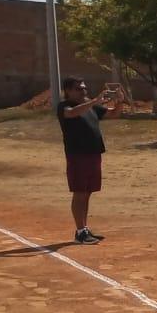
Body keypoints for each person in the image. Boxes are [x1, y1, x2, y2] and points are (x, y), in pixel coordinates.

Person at [56, 77, 122, 244]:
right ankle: (80, 232)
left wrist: (120, 101)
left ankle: (84, 229)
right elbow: (72, 113)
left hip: (94, 154)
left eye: (84, 88)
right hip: (77, 155)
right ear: (68, 90)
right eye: (79, 88)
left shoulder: (90, 105)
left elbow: (113, 114)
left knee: (87, 193)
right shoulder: (64, 106)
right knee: (79, 192)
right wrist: (94, 101)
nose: (83, 91)